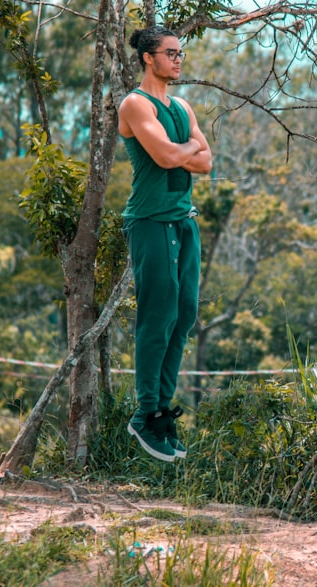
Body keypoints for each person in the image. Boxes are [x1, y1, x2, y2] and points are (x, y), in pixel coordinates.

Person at [118, 25, 212, 462]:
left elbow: (206, 164)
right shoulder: (136, 105)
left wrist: (188, 148)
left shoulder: (181, 106)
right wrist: (190, 146)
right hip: (150, 222)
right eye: (171, 53)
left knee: (184, 314)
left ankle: (162, 414)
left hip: (183, 222)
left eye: (181, 53)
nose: (178, 60)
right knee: (158, 317)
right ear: (147, 58)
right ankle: (145, 415)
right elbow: (167, 158)